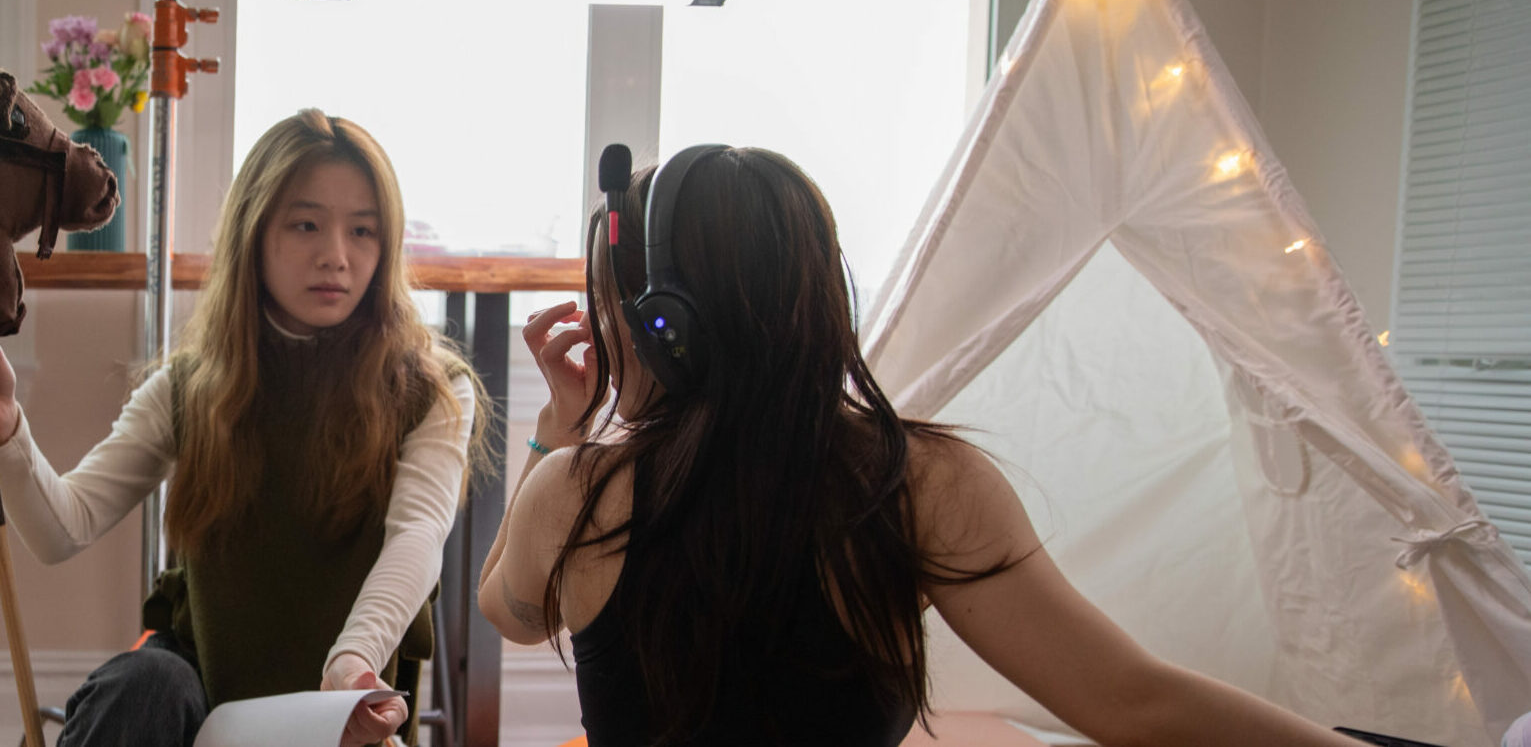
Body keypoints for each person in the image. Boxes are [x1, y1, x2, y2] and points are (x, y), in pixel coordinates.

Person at [477, 145, 1364, 746]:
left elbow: (514, 616)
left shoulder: (572, 491)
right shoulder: (917, 483)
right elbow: (1132, 702)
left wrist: (561, 436)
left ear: (668, 324)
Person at [0, 109, 481, 747]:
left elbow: (416, 538)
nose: (336, 256)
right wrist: (7, 430)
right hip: (195, 688)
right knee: (142, 689)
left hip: (347, 698)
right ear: (255, 233)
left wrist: (351, 665)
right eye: (306, 225)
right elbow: (63, 527)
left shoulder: (432, 389)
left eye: (364, 231)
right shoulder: (192, 385)